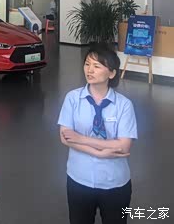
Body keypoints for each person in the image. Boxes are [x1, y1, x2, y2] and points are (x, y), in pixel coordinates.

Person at [58, 47, 138, 224]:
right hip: (79, 179)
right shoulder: (72, 98)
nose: (90, 70)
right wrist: (99, 153)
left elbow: (124, 146)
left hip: (115, 183)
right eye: (87, 64)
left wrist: (80, 138)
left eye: (97, 66)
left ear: (112, 73)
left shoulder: (124, 105)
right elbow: (65, 137)